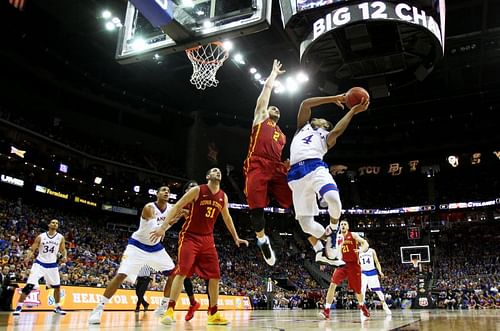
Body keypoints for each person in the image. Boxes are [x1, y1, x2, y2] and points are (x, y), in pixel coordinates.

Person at [150, 167, 249, 325]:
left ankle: (213, 314)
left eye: (219, 172)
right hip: (190, 236)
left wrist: (236, 237)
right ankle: (169, 311)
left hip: (208, 239)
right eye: (214, 171)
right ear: (208, 176)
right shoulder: (197, 190)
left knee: (215, 276)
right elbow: (176, 207)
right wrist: (163, 227)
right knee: (182, 272)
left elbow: (227, 217)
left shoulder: (223, 196)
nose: (218, 172)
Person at [287, 93, 369, 264]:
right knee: (305, 225)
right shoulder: (302, 127)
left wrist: (353, 110)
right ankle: (329, 238)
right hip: (295, 174)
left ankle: (333, 228)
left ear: (325, 126)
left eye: (322, 120)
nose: (317, 118)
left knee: (333, 198)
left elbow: (338, 130)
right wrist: (334, 98)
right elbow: (305, 104)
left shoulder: (326, 137)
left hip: (315, 167)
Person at [88, 186, 185, 324]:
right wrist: (168, 224)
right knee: (121, 275)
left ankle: (163, 307)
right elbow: (154, 229)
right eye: (163, 190)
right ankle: (98, 309)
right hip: (137, 246)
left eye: (168, 191)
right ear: (157, 194)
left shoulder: (171, 208)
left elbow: (184, 211)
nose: (166, 193)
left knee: (174, 274)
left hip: (155, 248)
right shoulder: (149, 207)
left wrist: (182, 215)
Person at [243, 59, 293, 266]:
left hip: (276, 167)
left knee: (295, 200)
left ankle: (317, 238)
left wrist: (288, 166)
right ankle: (262, 240)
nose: (275, 109)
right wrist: (273, 74)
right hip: (257, 164)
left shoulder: (282, 135)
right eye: (273, 107)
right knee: (256, 207)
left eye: (279, 110)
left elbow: (281, 156)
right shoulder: (261, 117)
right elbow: (266, 92)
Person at [13, 219, 67, 315]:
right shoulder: (41, 237)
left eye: (57, 223)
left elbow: (63, 250)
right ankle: (19, 306)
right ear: (49, 224)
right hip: (39, 263)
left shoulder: (60, 237)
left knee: (57, 287)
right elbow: (32, 249)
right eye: (53, 222)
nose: (55, 224)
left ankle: (57, 307)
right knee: (29, 286)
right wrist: (28, 257)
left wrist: (65, 256)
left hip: (52, 265)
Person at [319, 220, 370, 320]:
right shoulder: (337, 237)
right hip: (341, 264)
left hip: (353, 265)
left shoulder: (353, 235)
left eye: (344, 224)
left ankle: (362, 306)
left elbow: (365, 243)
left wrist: (361, 250)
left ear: (348, 226)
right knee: (332, 285)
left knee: (358, 291)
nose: (342, 225)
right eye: (341, 224)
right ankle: (327, 310)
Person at [359, 247, 392, 315]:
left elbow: (376, 262)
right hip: (363, 272)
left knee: (378, 291)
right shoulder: (358, 251)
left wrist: (380, 271)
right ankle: (362, 308)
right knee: (362, 289)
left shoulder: (372, 251)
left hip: (372, 272)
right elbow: (357, 263)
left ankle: (384, 305)